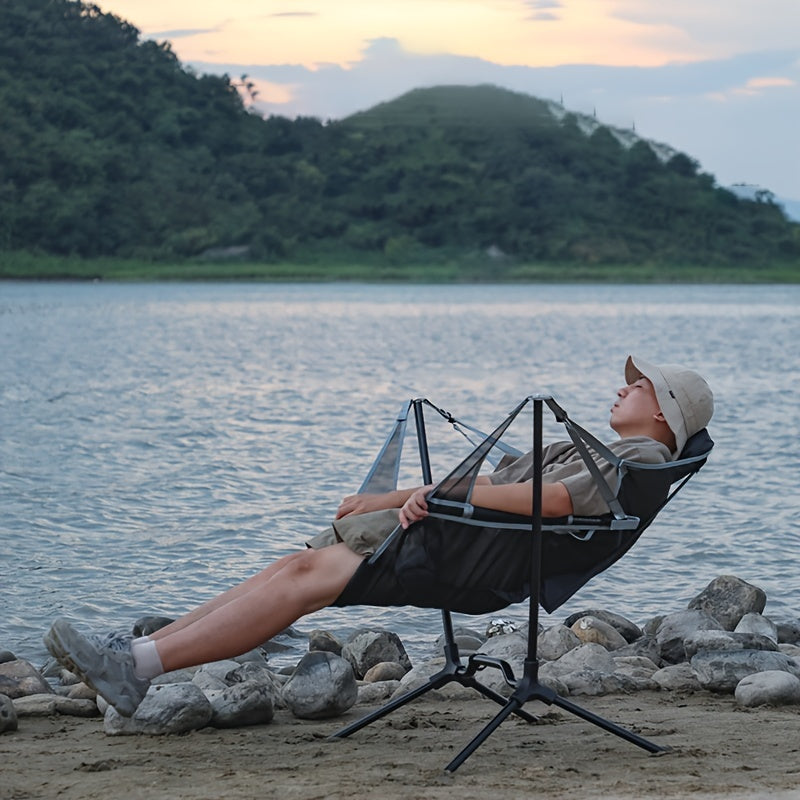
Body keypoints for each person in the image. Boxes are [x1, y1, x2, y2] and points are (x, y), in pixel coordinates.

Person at [44, 355, 713, 717]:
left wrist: (443, 500)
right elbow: (497, 482)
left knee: (300, 580)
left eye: (636, 387)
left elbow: (555, 502)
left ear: (662, 412)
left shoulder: (638, 457)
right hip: (465, 540)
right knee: (291, 568)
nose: (620, 389)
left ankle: (136, 668)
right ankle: (138, 653)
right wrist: (390, 498)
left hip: (469, 556)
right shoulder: (600, 449)